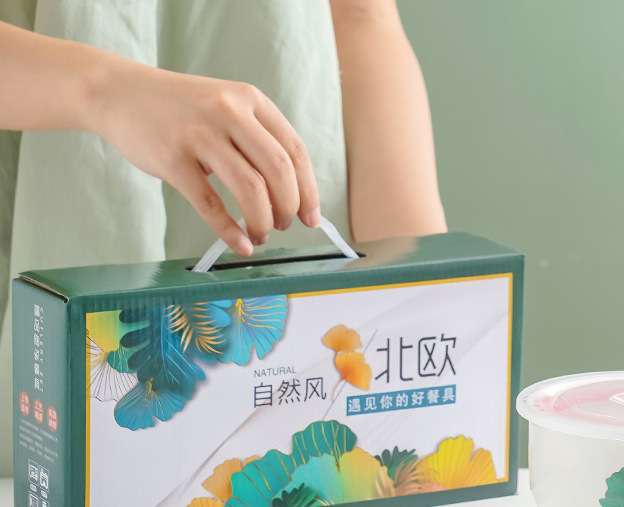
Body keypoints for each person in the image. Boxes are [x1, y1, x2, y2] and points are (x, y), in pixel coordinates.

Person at [0, 0, 447, 476]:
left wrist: (423, 286)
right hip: (46, 182)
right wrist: (105, 90)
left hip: (293, 189)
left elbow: (362, 15)